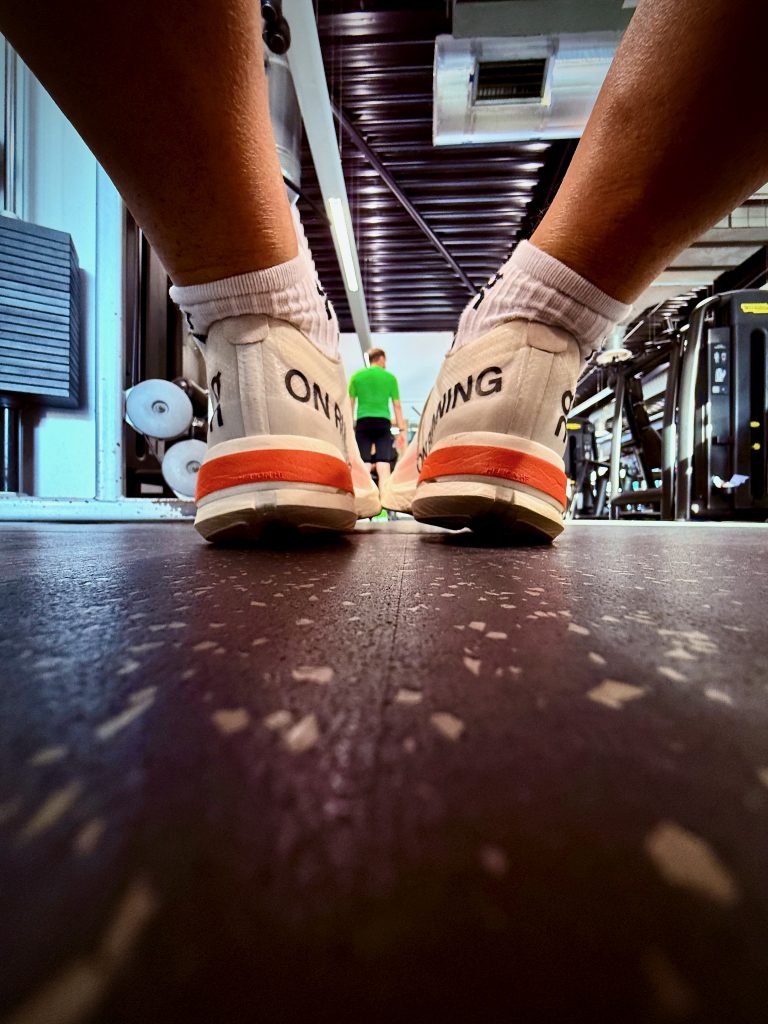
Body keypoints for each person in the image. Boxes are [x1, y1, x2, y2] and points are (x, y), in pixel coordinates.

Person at [2, 0, 767, 543]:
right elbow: (394, 414)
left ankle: (265, 348)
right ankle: (540, 334)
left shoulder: (363, 376)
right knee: (383, 459)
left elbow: (384, 410)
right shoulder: (384, 380)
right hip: (382, 424)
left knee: (364, 455)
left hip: (348, 416)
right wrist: (402, 440)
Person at [348, 347, 407, 499]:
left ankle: (362, 498)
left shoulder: (356, 377)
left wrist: (347, 428)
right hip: (382, 423)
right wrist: (402, 430)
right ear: (381, 359)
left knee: (365, 462)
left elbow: (350, 405)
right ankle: (385, 500)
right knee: (383, 462)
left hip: (363, 422)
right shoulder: (390, 378)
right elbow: (397, 406)